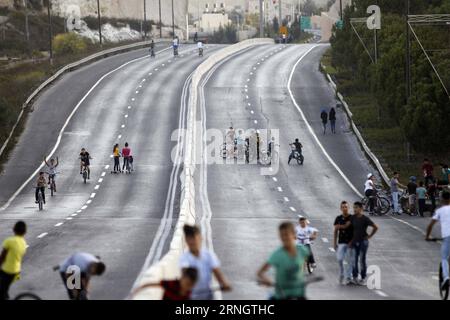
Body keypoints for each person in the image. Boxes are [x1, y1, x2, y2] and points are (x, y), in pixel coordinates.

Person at [257, 222, 310, 300]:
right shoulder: (277, 254)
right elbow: (260, 272)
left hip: (298, 294)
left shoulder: (302, 250)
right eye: (281, 235)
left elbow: (303, 266)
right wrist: (267, 280)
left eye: (286, 234)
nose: (284, 237)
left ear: (294, 235)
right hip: (281, 295)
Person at [180, 225, 231, 300]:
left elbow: (217, 272)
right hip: (192, 296)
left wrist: (224, 283)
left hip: (208, 295)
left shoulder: (209, 255)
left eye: (194, 238)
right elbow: (185, 274)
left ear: (200, 238)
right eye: (189, 239)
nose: (192, 242)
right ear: (187, 241)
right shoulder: (184, 258)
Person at [347, 202, 378, 285]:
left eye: (356, 208)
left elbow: (375, 227)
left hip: (363, 242)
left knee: (362, 260)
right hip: (354, 242)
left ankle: (363, 278)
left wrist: (370, 236)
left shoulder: (365, 219)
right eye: (354, 208)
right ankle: (355, 277)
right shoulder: (352, 218)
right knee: (354, 260)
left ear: (361, 208)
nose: (354, 209)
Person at [426, 191, 450, 291]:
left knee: (444, 258)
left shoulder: (440, 210)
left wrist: (427, 236)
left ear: (443, 199)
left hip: (447, 237)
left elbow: (431, 225)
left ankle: (446, 277)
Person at [132, 267, 198, 300]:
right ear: (182, 278)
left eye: (190, 285)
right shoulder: (172, 284)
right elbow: (153, 284)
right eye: (186, 283)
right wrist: (139, 289)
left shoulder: (188, 296)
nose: (187, 286)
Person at [0, 221, 27, 300]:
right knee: (4, 289)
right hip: (16, 270)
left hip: (7, 270)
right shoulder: (23, 242)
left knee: (2, 291)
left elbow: (2, 256)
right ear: (24, 232)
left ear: (14, 229)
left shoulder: (9, 241)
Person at [333, 201, 353, 285]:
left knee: (349, 261)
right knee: (340, 259)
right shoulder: (338, 218)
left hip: (350, 243)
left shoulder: (352, 218)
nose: (345, 208)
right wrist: (334, 243)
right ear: (341, 208)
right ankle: (341, 273)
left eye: (346, 207)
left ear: (348, 208)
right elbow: (336, 231)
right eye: (343, 207)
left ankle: (348, 277)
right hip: (341, 242)